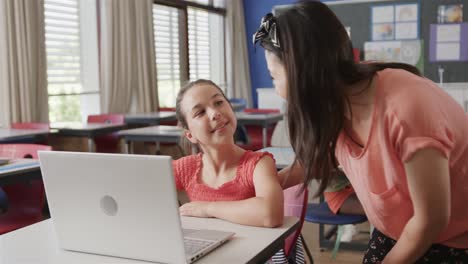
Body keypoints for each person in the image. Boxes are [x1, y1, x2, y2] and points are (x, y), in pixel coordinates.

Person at [253, 1, 468, 263]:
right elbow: (317, 157)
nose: (275, 89)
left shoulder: (405, 108)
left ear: (301, 72)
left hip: (450, 241)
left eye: (274, 77)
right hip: (396, 230)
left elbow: (430, 220)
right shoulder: (337, 98)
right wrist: (258, 185)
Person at [172, 79, 284, 228]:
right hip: (210, 248)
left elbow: (270, 214)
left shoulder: (258, 164)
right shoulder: (184, 168)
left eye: (218, 102)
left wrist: (207, 208)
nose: (215, 113)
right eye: (200, 112)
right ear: (190, 135)